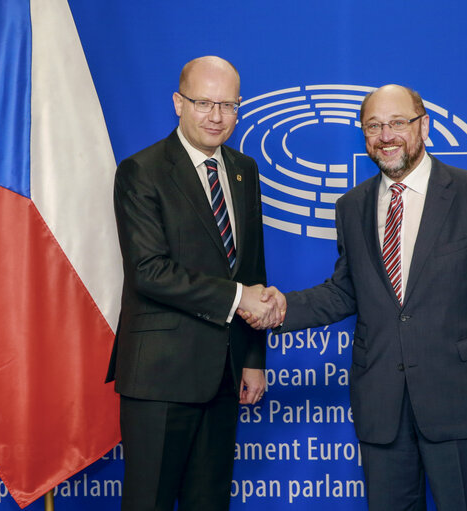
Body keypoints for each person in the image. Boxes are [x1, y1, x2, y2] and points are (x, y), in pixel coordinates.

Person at [247, 84, 467, 510]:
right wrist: (280, 308)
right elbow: (345, 290)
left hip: (463, 404)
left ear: (424, 126)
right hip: (382, 408)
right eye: (374, 126)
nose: (386, 136)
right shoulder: (352, 206)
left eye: (397, 123)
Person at [106, 56, 280, 511]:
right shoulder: (141, 171)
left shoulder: (244, 170)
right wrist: (240, 298)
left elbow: (252, 269)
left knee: (210, 501)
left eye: (228, 105)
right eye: (204, 103)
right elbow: (149, 271)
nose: (217, 116)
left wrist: (253, 358)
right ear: (178, 104)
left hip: (224, 372)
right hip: (159, 377)